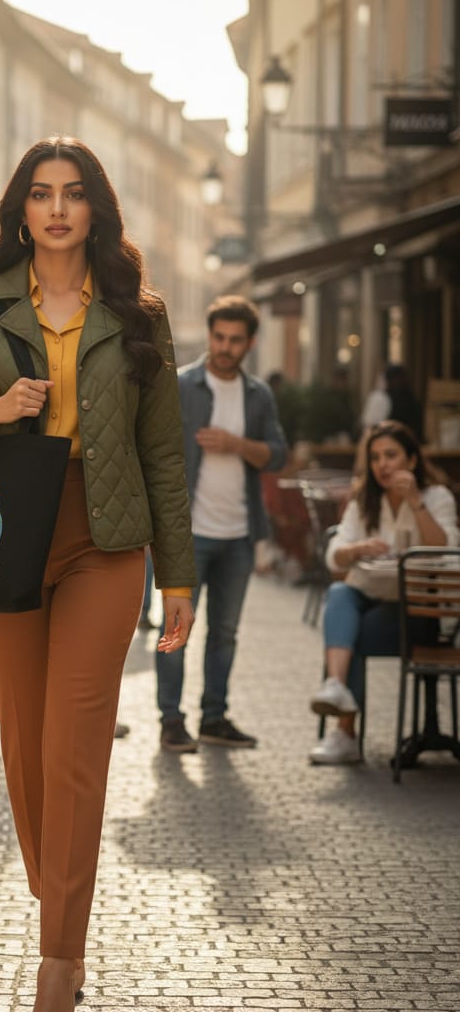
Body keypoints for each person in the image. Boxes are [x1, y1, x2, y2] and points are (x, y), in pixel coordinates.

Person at [0, 135, 195, 1012]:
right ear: (21, 211)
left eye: (74, 194)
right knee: (24, 739)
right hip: (3, 535)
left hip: (107, 542)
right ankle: (59, 891)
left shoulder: (138, 315)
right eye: (42, 194)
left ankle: (57, 964)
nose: (59, 209)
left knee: (74, 749)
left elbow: (163, 454)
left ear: (96, 209)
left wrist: (180, 571)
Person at [155, 295, 287, 754]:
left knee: (225, 634)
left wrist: (237, 444)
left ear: (250, 343)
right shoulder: (182, 386)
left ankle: (215, 717)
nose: (225, 347)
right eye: (219, 338)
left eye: (235, 340)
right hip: (185, 532)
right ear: (210, 336)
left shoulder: (258, 395)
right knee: (174, 630)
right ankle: (171, 719)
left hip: (238, 535)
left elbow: (278, 453)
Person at [308, 419, 458, 764]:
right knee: (340, 594)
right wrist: (358, 548)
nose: (383, 464)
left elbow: (446, 549)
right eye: (375, 458)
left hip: (419, 611)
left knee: (347, 634)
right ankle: (337, 694)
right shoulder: (365, 501)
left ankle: (343, 722)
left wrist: (416, 501)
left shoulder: (437, 497)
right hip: (370, 600)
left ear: (412, 460)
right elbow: (335, 557)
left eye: (391, 455)